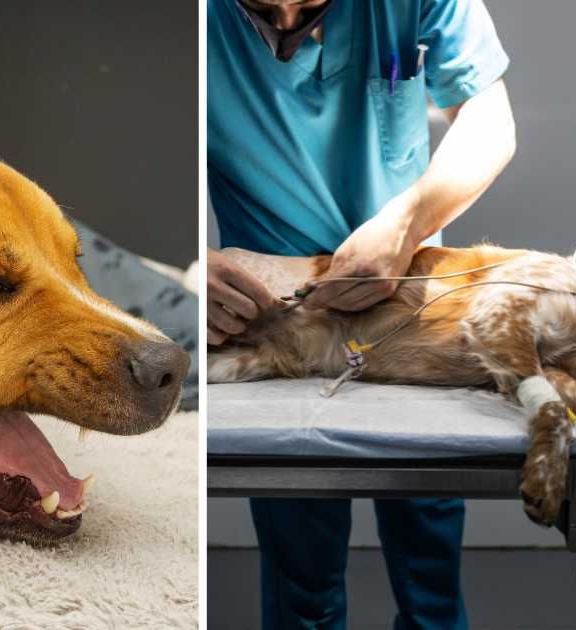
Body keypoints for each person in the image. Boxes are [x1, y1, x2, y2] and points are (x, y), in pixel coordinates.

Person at [207, 0, 516, 627]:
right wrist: (197, 264)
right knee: (301, 566)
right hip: (275, 322)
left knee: (429, 551)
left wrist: (408, 221)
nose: (290, 17)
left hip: (405, 302)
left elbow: (490, 119)